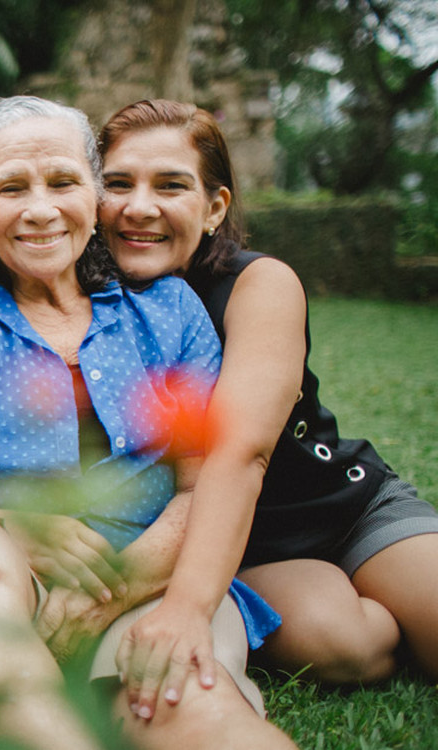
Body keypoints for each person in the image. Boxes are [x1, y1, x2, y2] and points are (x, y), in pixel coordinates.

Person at [0, 95, 295, 750]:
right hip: (9, 592)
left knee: (200, 718)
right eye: (11, 188)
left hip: (152, 584)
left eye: (62, 181)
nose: (40, 209)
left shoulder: (170, 310)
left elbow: (203, 488)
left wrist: (112, 591)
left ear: (94, 194)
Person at [96, 98, 438, 720]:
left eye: (171, 185)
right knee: (345, 645)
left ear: (214, 207)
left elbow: (242, 450)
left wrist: (187, 611)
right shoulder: (79, 300)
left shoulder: (257, 284)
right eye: (117, 184)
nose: (138, 207)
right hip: (248, 544)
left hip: (343, 504)